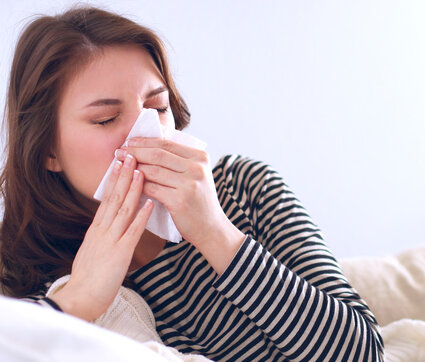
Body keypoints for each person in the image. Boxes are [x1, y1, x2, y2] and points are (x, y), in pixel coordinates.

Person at [0, 6, 384, 361]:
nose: (145, 132)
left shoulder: (242, 188)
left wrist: (216, 233)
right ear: (47, 148)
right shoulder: (21, 265)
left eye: (158, 108)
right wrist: (78, 300)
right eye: (105, 119)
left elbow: (361, 352)